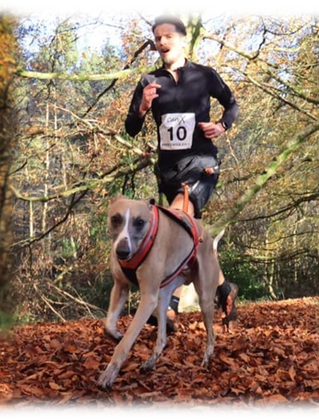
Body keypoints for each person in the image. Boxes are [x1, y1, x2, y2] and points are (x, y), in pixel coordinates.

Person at [125, 14, 239, 328]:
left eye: (167, 36)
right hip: (168, 172)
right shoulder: (149, 81)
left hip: (202, 165)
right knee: (196, 238)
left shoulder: (204, 75)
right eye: (157, 38)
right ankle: (225, 290)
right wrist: (143, 109)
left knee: (174, 227)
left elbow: (232, 103)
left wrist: (221, 126)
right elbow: (131, 128)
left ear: (182, 40)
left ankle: (168, 302)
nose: (161, 42)